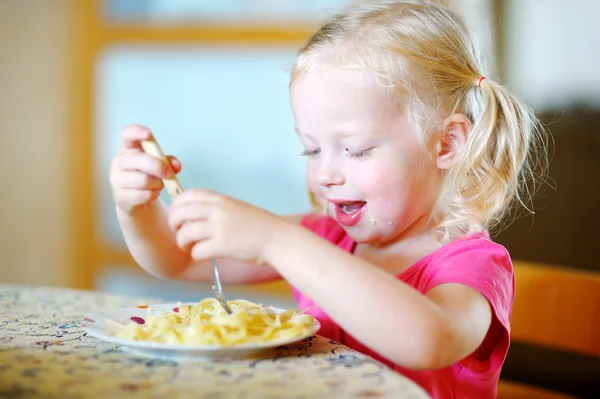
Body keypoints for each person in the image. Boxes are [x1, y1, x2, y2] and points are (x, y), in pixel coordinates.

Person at [109, 1, 547, 397]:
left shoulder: (470, 264)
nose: (325, 173)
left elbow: (429, 341)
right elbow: (177, 260)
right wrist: (138, 209)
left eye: (355, 149)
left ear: (447, 144)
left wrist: (277, 242)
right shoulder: (325, 238)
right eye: (312, 149)